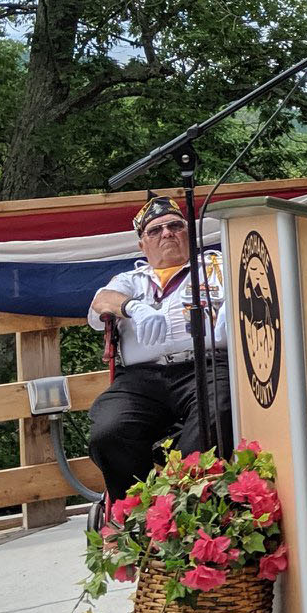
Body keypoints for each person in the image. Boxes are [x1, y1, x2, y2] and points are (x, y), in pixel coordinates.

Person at [86, 196, 229, 499]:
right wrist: (133, 307)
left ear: (187, 233)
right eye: (155, 230)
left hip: (205, 366)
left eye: (175, 226)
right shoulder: (131, 279)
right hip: (142, 378)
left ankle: (185, 498)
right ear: (142, 245)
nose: (167, 233)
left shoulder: (217, 267)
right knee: (109, 429)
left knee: (218, 410)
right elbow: (101, 302)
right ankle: (135, 508)